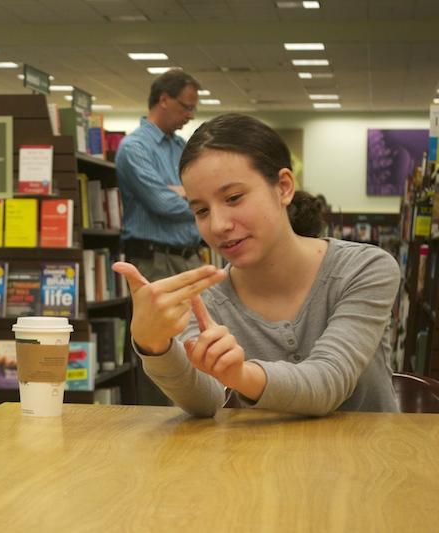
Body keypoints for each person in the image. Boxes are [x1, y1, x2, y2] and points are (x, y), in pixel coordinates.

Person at [114, 113, 400, 417]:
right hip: (258, 463)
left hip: (369, 460)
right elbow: (205, 401)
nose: (219, 225)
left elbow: (328, 381)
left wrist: (240, 375)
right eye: (201, 210)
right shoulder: (203, 301)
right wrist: (153, 345)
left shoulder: (364, 269)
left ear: (284, 187)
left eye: (234, 198)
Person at [115, 70, 204, 405]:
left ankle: (196, 411)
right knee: (159, 346)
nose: (190, 115)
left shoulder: (183, 147)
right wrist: (188, 196)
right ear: (163, 99)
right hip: (154, 260)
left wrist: (185, 193)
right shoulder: (133, 148)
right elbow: (161, 203)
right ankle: (157, 427)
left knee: (195, 344)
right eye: (185, 106)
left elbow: (201, 194)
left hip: (189, 256)